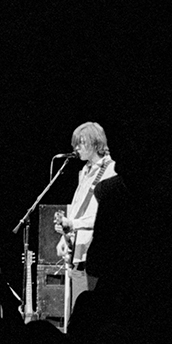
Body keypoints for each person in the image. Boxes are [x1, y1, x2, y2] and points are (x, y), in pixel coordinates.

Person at [53, 122, 116, 313]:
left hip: (94, 254)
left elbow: (102, 215)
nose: (76, 148)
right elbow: (79, 208)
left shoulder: (110, 170)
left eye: (81, 143)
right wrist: (65, 234)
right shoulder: (84, 171)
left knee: (93, 313)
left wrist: (73, 224)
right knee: (78, 312)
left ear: (96, 143)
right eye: (75, 144)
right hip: (77, 250)